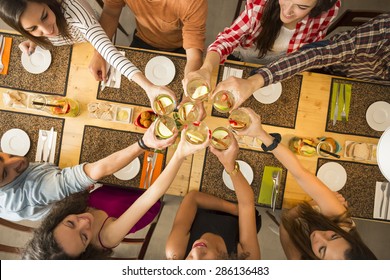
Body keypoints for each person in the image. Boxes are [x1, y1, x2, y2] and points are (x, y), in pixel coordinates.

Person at [22, 127, 210, 259]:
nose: (84, 221)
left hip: (110, 184)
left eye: (70, 222)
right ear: (87, 252)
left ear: (55, 222)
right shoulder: (107, 237)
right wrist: (180, 154)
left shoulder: (60, 210)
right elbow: (150, 196)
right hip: (138, 200)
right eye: (84, 236)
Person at [237, 107, 377, 260]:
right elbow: (300, 173)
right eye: (334, 236)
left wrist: (308, 206)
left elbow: (285, 227)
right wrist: (261, 135)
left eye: (321, 250)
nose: (320, 236)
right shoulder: (342, 224)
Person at [0, 0, 175, 104]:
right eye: (33, 28)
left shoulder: (76, 13)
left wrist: (149, 87)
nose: (47, 31)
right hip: (76, 46)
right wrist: (35, 40)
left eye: (45, 16)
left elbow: (108, 51)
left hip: (89, 38)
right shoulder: (41, 30)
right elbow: (44, 31)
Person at [0, 121, 176, 222]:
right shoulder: (37, 191)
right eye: (5, 173)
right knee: (143, 199)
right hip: (78, 205)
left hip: (54, 184)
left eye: (2, 158)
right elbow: (98, 170)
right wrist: (144, 144)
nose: (16, 160)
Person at [213, 13, 390, 110]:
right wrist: (253, 82)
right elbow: (317, 56)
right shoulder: (384, 31)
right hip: (330, 65)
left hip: (365, 88)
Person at [183, 0, 339, 93]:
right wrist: (206, 69)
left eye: (301, 7)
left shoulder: (328, 10)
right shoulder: (260, 3)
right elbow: (226, 40)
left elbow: (313, 49)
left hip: (287, 64)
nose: (287, 10)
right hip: (245, 56)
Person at [165, 134, 261, 260]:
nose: (196, 251)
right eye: (204, 260)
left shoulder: (175, 253)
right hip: (241, 209)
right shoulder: (246, 260)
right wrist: (230, 165)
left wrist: (235, 210)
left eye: (190, 259)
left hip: (212, 200)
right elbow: (247, 204)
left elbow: (193, 198)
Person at [88, 0, 207, 79]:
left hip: (182, 47)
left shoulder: (191, 2)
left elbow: (194, 56)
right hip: (143, 39)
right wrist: (99, 53)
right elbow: (110, 13)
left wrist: (191, 87)